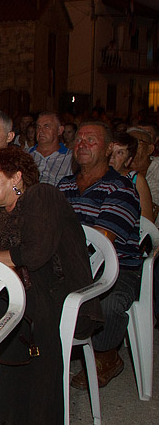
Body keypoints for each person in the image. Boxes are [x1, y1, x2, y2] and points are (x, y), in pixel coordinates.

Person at [0, 146, 99, 424]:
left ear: (16, 177)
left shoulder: (43, 195)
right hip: (20, 291)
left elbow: (33, 255)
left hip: (54, 295)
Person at [58, 121, 141, 389]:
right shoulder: (65, 185)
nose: (82, 144)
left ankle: (106, 355)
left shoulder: (121, 188)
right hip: (70, 263)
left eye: (91, 140)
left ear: (107, 150)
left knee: (107, 304)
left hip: (117, 268)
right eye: (79, 139)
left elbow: (101, 242)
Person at [109, 130, 155, 222]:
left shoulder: (135, 180)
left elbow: (146, 222)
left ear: (128, 161)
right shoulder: (92, 177)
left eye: (120, 153)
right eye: (110, 151)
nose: (112, 157)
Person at [29, 111, 72, 186]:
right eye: (38, 127)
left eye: (46, 126)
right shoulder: (26, 155)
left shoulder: (70, 158)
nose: (41, 131)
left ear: (60, 130)